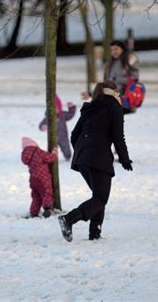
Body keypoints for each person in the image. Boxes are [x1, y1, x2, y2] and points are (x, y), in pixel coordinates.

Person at [58, 80, 133, 242]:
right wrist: (125, 159)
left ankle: (95, 232)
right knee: (100, 198)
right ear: (113, 92)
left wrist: (82, 151)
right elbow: (118, 137)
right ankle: (68, 219)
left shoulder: (90, 107)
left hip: (82, 159)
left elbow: (74, 135)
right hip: (99, 158)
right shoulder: (114, 107)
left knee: (98, 197)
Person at [82, 40, 139, 114]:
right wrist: (90, 93)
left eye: (116, 49)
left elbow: (134, 80)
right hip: (110, 100)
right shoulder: (110, 64)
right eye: (111, 50)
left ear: (122, 49)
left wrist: (115, 79)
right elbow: (105, 85)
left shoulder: (129, 61)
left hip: (124, 102)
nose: (113, 52)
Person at [21, 137, 58, 218]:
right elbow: (49, 158)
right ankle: (47, 209)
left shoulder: (26, 155)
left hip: (33, 179)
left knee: (36, 196)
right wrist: (54, 153)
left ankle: (33, 212)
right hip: (42, 177)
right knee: (46, 192)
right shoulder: (37, 152)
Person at [39, 96, 76, 161]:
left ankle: (68, 156)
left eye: (56, 107)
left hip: (63, 137)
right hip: (52, 137)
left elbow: (70, 115)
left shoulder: (63, 115)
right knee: (52, 149)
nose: (54, 110)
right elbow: (42, 124)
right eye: (53, 108)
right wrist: (43, 127)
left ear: (59, 107)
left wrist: (71, 108)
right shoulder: (48, 117)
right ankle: (51, 157)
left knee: (66, 149)